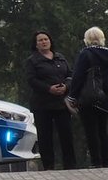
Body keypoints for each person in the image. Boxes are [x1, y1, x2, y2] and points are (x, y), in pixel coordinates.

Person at [68, 26, 108, 169]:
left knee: (91, 131)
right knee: (103, 130)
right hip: (107, 99)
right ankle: (106, 162)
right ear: (102, 38)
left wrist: (72, 96)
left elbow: (78, 76)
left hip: (88, 98)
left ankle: (96, 162)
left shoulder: (86, 54)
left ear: (87, 40)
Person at [24, 30, 77, 171]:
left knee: (66, 135)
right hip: (42, 105)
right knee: (45, 137)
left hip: (62, 104)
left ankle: (70, 165)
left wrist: (66, 86)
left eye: (46, 39)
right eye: (40, 40)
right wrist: (48, 89)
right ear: (36, 44)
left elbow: (70, 75)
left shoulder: (60, 58)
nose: (44, 42)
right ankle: (49, 167)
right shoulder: (32, 61)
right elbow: (31, 80)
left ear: (50, 41)